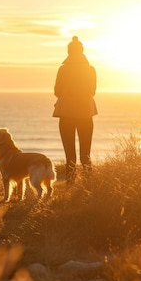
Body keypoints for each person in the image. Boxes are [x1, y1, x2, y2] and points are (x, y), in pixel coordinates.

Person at [53, 36, 97, 183]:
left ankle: (70, 183)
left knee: (70, 154)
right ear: (82, 51)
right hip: (86, 114)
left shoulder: (63, 69)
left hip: (66, 114)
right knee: (86, 154)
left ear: (69, 52)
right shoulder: (91, 70)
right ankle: (88, 183)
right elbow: (92, 91)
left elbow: (57, 92)